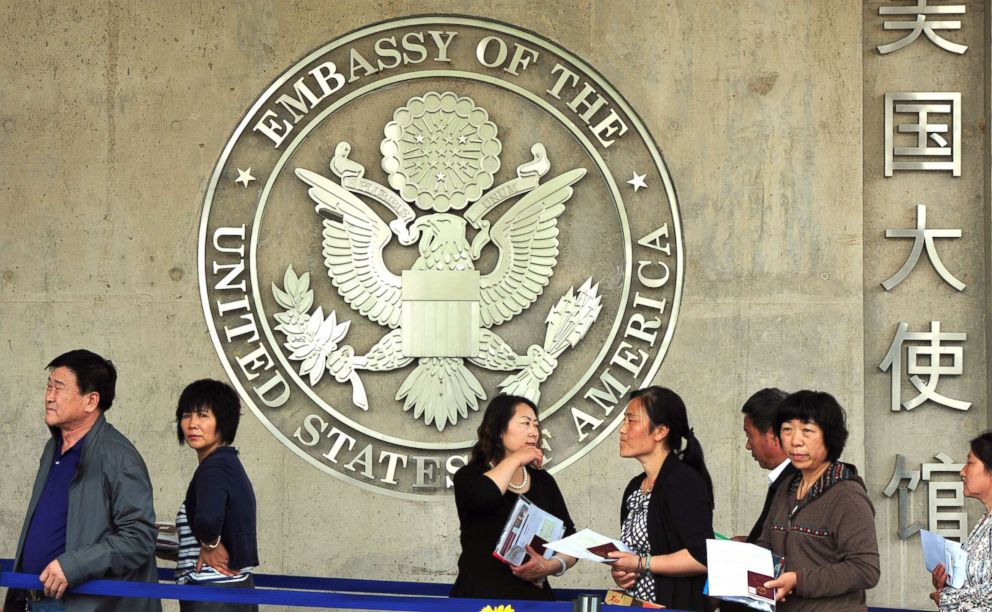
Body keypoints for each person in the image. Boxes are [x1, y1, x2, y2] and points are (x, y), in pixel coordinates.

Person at [3, 350, 161, 612]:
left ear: (91, 401)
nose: (49, 397)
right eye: (48, 386)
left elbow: (139, 537)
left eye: (59, 388)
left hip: (79, 604)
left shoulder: (118, 457)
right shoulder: (51, 449)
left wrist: (73, 566)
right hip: (36, 600)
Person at [758, 390, 879, 610]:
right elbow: (766, 544)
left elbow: (865, 569)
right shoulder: (787, 487)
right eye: (787, 430)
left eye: (807, 430)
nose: (795, 441)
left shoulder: (847, 496)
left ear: (829, 436)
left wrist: (798, 580)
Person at [450, 394, 577, 600]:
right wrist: (517, 458)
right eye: (525, 423)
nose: (534, 432)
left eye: (536, 425)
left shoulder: (543, 481)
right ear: (500, 430)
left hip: (533, 599)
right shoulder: (470, 476)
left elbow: (569, 538)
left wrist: (551, 565)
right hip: (480, 597)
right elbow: (485, 496)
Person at [607, 386, 714, 611]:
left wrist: (642, 564)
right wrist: (623, 572)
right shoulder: (635, 487)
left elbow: (702, 557)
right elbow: (635, 553)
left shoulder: (683, 482)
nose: (622, 430)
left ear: (660, 431)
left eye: (631, 421)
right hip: (635, 603)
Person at [174, 379, 259, 612]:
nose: (192, 424)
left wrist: (210, 543)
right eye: (186, 415)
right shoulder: (227, 462)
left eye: (203, 415)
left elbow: (208, 519)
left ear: (223, 421)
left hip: (213, 591)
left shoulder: (215, 467)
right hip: (231, 589)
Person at [929, 431, 992, 610]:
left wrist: (948, 598)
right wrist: (947, 584)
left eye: (970, 463)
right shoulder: (985, 520)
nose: (962, 471)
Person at [739, 387, 795, 543]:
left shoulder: (797, 484)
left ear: (773, 435)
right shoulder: (787, 480)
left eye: (749, 435)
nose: (748, 445)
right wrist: (750, 542)